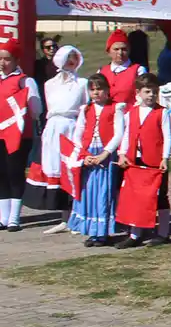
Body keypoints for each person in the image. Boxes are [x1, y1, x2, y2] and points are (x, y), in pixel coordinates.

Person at [28, 44, 85, 225]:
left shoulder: (82, 83)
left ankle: (77, 214)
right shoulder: (49, 84)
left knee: (73, 169)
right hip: (53, 128)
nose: (70, 62)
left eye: (73, 58)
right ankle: (64, 217)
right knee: (57, 169)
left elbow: (85, 108)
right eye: (67, 58)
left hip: (72, 127)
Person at [66, 74, 125, 246]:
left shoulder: (116, 108)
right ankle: (92, 231)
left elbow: (118, 133)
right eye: (92, 90)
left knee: (103, 193)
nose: (96, 93)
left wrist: (105, 154)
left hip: (105, 155)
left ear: (107, 90)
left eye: (99, 89)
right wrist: (84, 154)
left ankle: (103, 232)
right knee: (88, 192)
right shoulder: (86, 109)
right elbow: (78, 133)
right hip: (89, 154)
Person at [115, 73, 169, 248]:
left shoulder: (162, 112)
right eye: (148, 91)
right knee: (136, 197)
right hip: (135, 161)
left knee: (160, 196)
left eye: (154, 91)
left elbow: (168, 137)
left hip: (155, 161)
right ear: (138, 92)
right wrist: (122, 153)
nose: (151, 95)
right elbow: (126, 135)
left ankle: (163, 232)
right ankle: (135, 234)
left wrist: (165, 157)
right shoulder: (131, 113)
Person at [0, 39, 42, 231]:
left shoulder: (25, 81)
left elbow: (36, 109)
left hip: (18, 135)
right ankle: (3, 217)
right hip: (0, 133)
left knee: (14, 173)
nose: (2, 63)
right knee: (1, 175)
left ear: (16, 60)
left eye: (7, 59)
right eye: (0, 58)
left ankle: (15, 217)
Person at [98, 29, 147, 105]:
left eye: (124, 49)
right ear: (108, 52)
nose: (120, 53)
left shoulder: (138, 70)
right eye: (116, 49)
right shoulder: (101, 72)